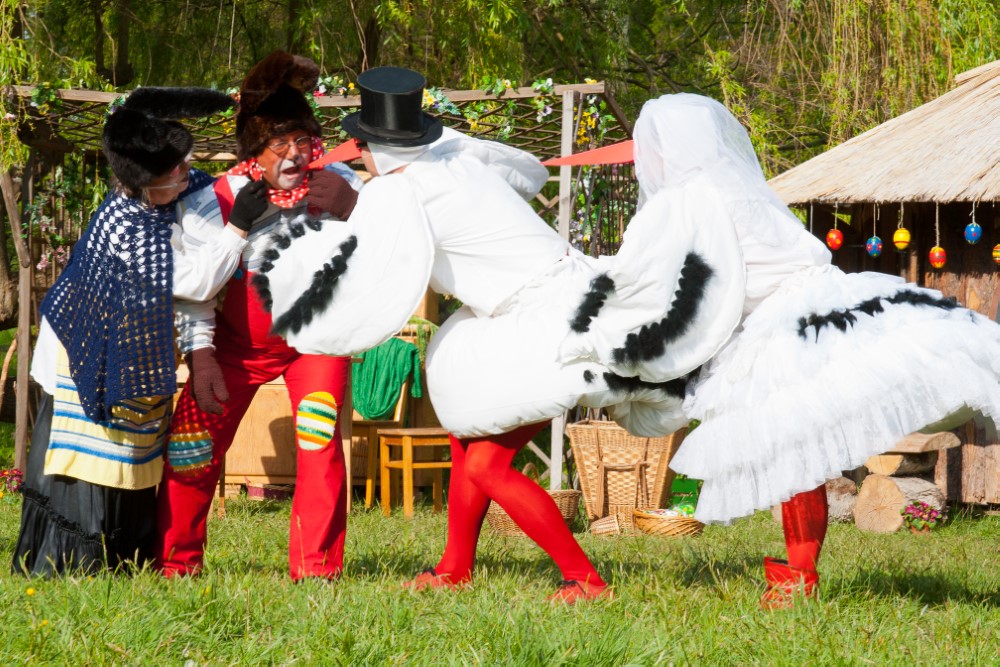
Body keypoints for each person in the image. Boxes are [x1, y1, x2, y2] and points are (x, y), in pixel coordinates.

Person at [255, 67, 746, 603]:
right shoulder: (454, 158)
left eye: (362, 144)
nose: (357, 154)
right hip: (557, 294)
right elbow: (525, 173)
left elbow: (383, 281)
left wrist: (350, 211)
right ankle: (454, 566)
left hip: (546, 318)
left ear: (380, 147)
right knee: (467, 440)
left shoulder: (400, 192)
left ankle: (585, 579)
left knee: (487, 463)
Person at [630, 94, 1000, 608]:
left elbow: (679, 287)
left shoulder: (688, 201)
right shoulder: (740, 187)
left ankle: (799, 577)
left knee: (795, 458)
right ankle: (798, 574)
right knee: (798, 459)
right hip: (828, 299)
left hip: (790, 326)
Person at [12, 87, 247, 576]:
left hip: (133, 358)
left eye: (184, 162)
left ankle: (124, 561)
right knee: (89, 468)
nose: (186, 171)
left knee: (131, 462)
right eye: (174, 169)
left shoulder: (167, 200)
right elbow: (196, 280)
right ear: (143, 183)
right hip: (87, 359)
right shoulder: (127, 226)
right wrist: (238, 229)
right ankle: (72, 565)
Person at [155, 51, 362, 582]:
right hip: (232, 350)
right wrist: (200, 357)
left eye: (303, 141)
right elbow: (197, 289)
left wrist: (360, 207)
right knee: (191, 447)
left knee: (318, 449)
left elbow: (395, 239)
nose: (296, 155)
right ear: (255, 148)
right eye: (280, 144)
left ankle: (316, 570)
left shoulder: (338, 180)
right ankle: (177, 563)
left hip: (315, 345)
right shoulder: (214, 197)